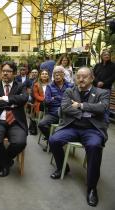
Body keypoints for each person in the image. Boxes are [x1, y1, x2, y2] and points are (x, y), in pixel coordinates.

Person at [49, 67, 109, 207]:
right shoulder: (70, 91)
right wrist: (87, 112)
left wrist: (80, 105)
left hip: (92, 129)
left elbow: (102, 108)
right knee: (54, 140)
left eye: (85, 77)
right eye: (78, 77)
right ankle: (61, 167)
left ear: (92, 78)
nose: (81, 79)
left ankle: (92, 187)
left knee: (94, 146)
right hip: (72, 127)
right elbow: (65, 107)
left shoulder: (102, 92)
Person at [0, 61, 28, 177]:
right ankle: (6, 163)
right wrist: (13, 102)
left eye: (8, 71)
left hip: (15, 121)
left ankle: (1, 162)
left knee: (20, 142)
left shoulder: (20, 86)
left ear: (14, 73)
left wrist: (4, 98)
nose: (5, 73)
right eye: (3, 71)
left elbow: (24, 98)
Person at [38, 66, 72, 151]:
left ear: (63, 75)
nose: (57, 76)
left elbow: (73, 100)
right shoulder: (50, 86)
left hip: (66, 113)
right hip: (53, 113)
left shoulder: (70, 85)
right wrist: (62, 98)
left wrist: (56, 97)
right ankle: (51, 141)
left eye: (59, 73)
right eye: (55, 74)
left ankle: (56, 142)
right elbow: (47, 101)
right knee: (41, 124)